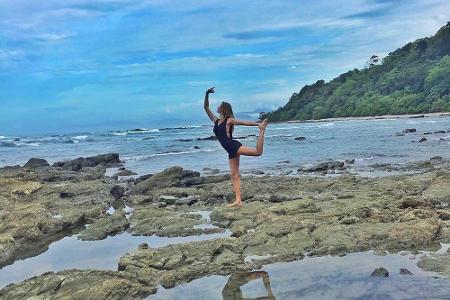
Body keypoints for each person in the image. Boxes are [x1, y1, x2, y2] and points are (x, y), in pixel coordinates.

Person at [203, 87, 268, 208]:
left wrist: (258, 124)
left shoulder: (229, 120)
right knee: (234, 175)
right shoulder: (216, 121)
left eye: (219, 105)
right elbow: (206, 108)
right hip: (230, 151)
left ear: (223, 108)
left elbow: (243, 122)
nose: (217, 107)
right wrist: (207, 94)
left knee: (258, 152)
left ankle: (262, 130)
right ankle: (238, 200)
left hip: (233, 146)